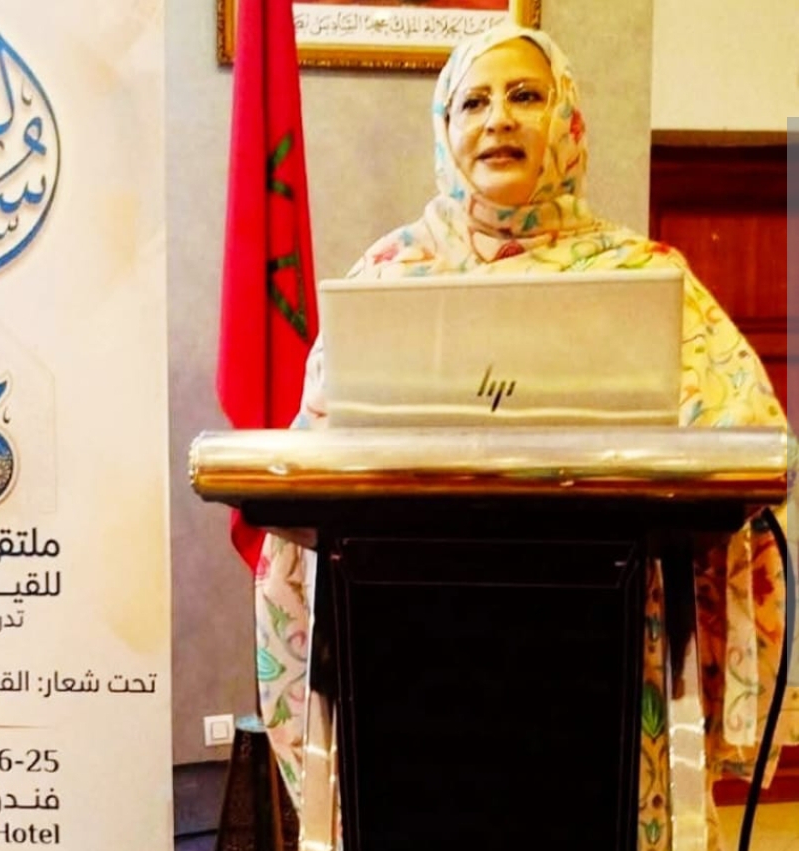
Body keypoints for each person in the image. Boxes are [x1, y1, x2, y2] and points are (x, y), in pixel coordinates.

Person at [253, 22, 797, 851]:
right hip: (412, 650)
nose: (499, 118)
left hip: (604, 649)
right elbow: (316, 451)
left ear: (568, 122)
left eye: (525, 96)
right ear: (444, 129)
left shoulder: (645, 277)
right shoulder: (390, 275)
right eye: (473, 102)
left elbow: (750, 439)